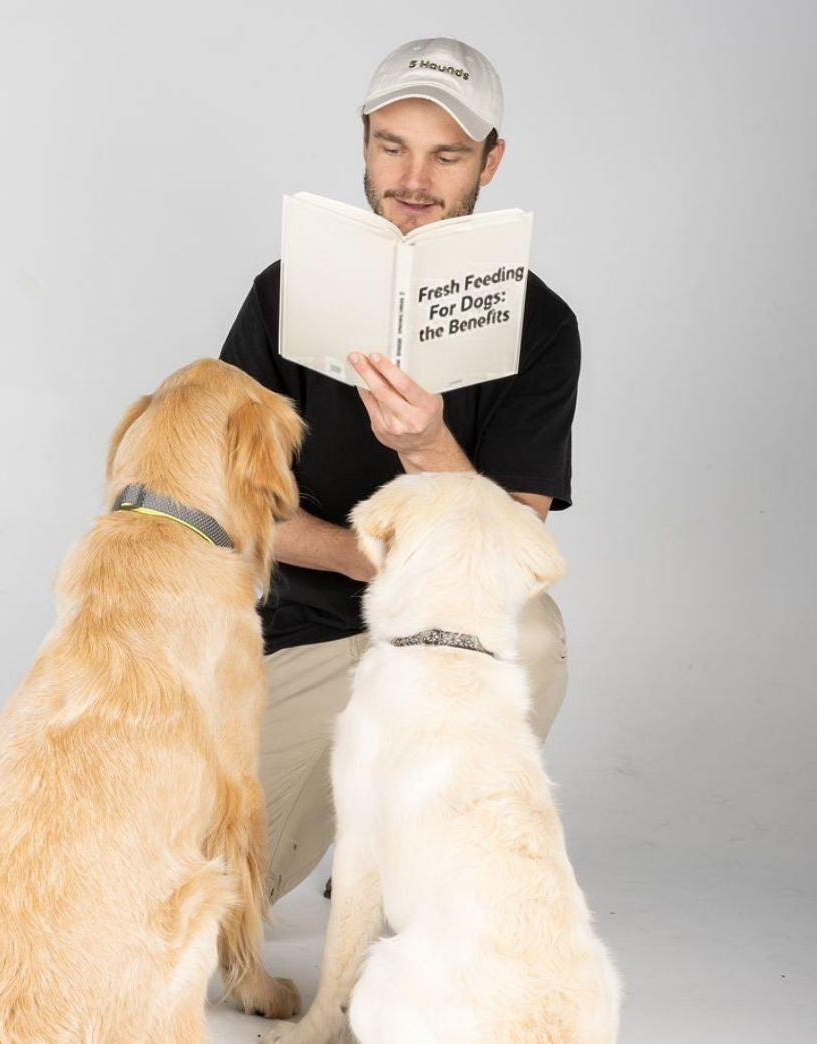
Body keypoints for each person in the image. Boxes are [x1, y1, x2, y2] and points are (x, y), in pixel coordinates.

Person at [220, 37, 580, 904]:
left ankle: (401, 868)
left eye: (447, 154)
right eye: (393, 146)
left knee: (533, 636)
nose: (414, 178)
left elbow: (518, 546)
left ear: (491, 162)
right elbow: (229, 504)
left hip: (447, 633)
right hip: (303, 631)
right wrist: (357, 556)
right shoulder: (285, 291)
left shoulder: (543, 328)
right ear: (364, 143)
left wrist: (428, 449)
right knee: (210, 899)